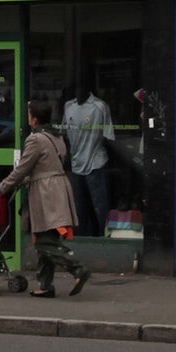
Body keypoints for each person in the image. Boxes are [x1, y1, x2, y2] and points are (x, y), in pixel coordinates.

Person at [2, 99, 87, 298]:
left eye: (28, 114)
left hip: (45, 193)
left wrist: (2, 186)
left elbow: (22, 168)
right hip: (59, 189)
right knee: (47, 237)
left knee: (43, 242)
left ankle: (78, 269)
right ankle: (46, 285)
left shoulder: (35, 139)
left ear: (34, 119)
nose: (27, 118)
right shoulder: (56, 137)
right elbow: (46, 165)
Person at [62, 80, 114, 236]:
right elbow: (64, 133)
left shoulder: (100, 107)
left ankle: (105, 241)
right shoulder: (68, 106)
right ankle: (81, 242)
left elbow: (108, 137)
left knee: (101, 208)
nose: (78, 91)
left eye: (81, 87)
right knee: (79, 209)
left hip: (95, 165)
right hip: (76, 165)